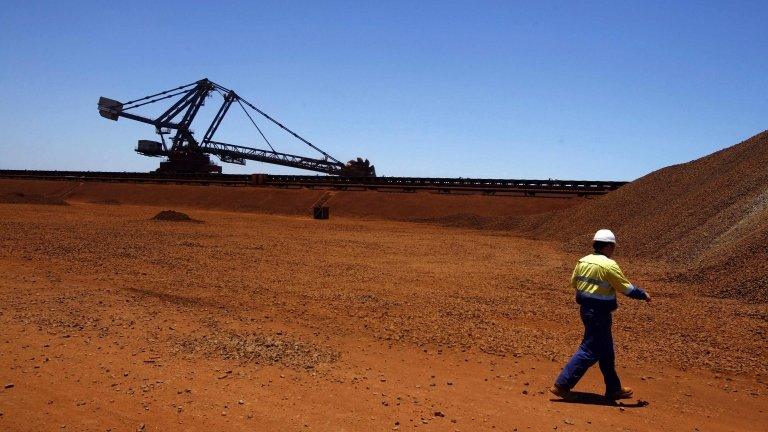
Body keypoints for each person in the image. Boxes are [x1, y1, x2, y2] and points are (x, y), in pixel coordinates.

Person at [550, 229, 651, 400]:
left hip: (586, 310)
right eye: (613, 247)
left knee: (606, 351)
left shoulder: (583, 261)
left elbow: (574, 282)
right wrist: (643, 294)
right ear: (609, 246)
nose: (613, 250)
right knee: (589, 349)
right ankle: (562, 384)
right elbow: (625, 288)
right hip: (599, 314)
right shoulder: (608, 265)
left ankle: (613, 388)